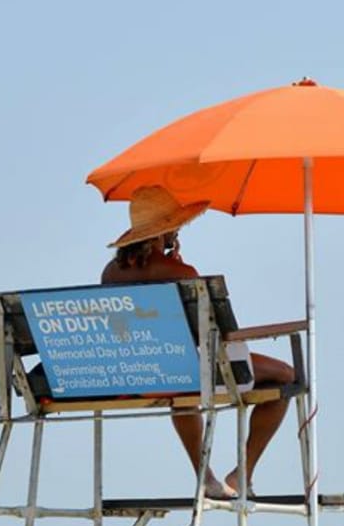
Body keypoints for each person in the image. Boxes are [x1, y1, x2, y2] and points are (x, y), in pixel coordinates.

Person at [101, 186, 295, 499]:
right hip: (185, 373)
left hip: (139, 375)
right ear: (165, 232)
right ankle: (242, 473)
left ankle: (204, 476)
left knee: (181, 380)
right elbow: (211, 334)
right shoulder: (181, 272)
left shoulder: (110, 273)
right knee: (286, 375)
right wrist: (179, 265)